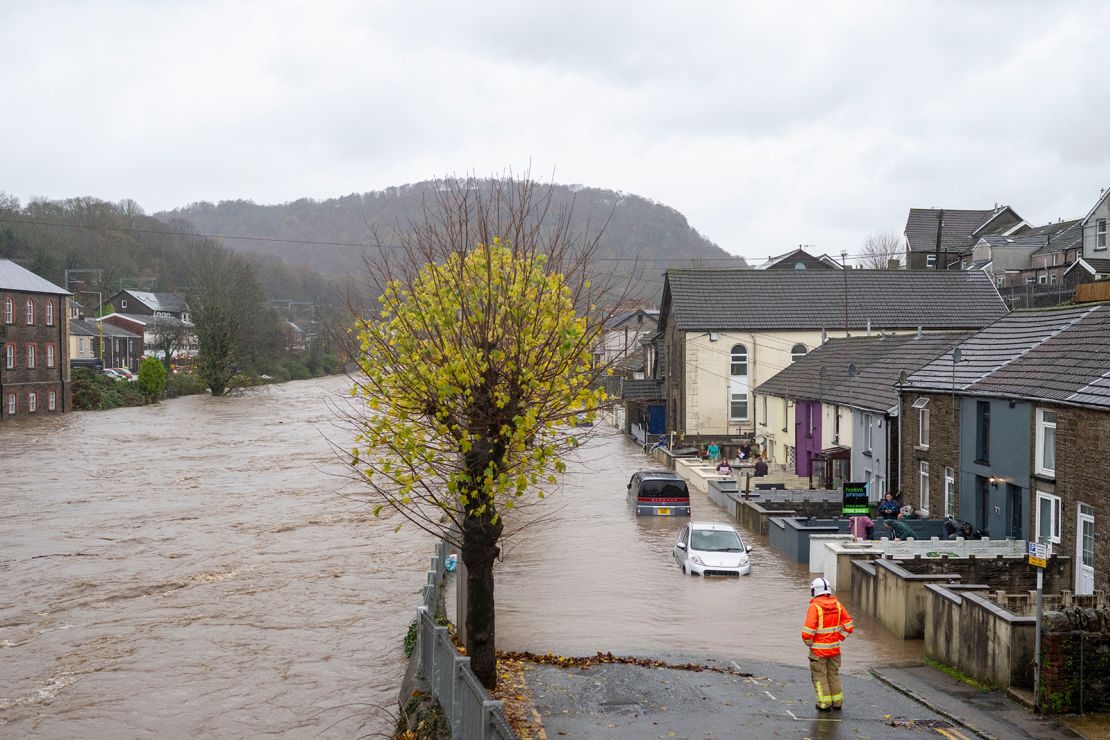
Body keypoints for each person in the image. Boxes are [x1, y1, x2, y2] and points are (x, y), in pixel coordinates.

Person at [801, 577, 854, 711]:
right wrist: (838, 638)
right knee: (833, 675)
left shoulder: (815, 607)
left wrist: (809, 644)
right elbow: (849, 626)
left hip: (818, 652)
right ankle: (837, 703)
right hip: (835, 650)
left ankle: (824, 704)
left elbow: (807, 633)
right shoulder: (838, 605)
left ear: (814, 591)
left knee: (820, 677)